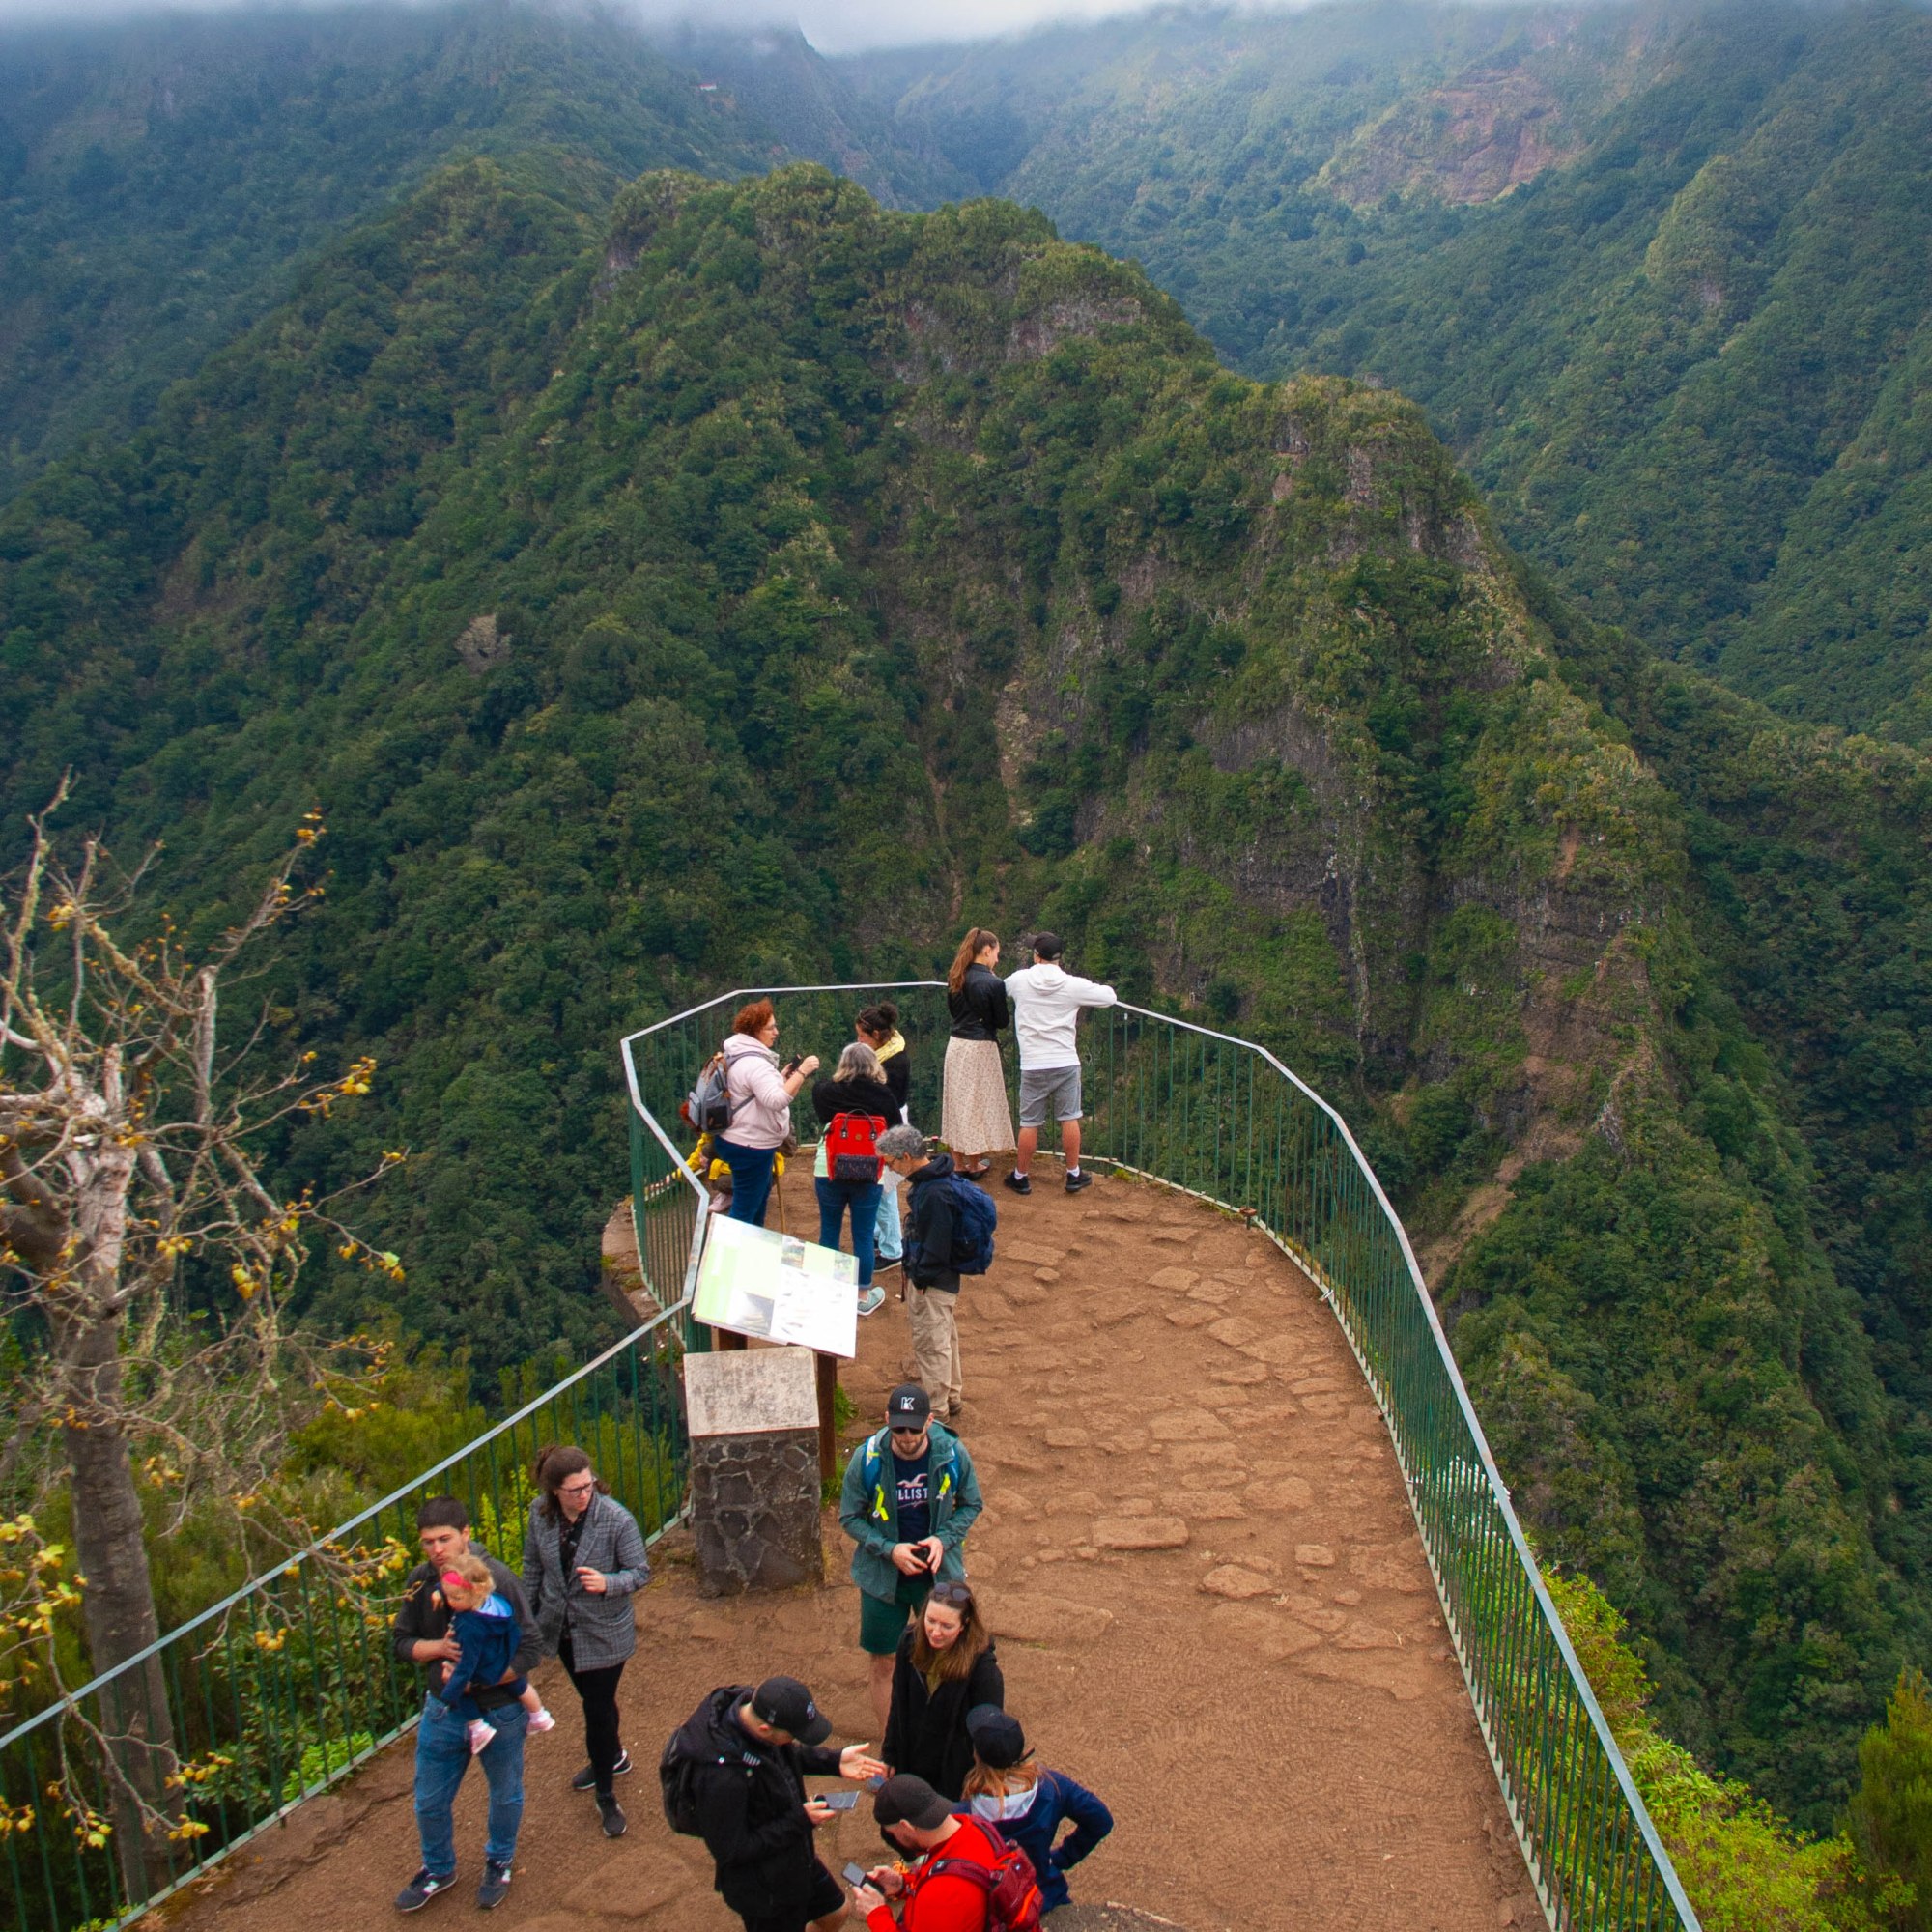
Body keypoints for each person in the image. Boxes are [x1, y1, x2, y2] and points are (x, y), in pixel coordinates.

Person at [390, 1497, 543, 1913]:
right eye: (427, 1542)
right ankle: (439, 1868)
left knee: (505, 1793)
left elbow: (531, 1648)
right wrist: (438, 1648)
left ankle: (500, 1861)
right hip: (442, 1709)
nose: (436, 1549)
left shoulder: (498, 1580)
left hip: (499, 1710)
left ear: (466, 1535)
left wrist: (481, 1678)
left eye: (444, 1539)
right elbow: (401, 1642)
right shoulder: (421, 1582)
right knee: (428, 1800)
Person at [670, 1675, 886, 1932]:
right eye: (792, 1734)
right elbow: (733, 1852)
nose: (796, 1740)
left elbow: (782, 1752)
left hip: (793, 1858)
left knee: (836, 1912)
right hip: (764, 1890)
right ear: (765, 1730)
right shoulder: (721, 1780)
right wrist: (799, 1820)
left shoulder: (753, 1713)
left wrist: (833, 1761)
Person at [521, 1445, 651, 1839]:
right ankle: (614, 1755)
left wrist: (608, 1583)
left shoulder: (616, 1520)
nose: (584, 1493)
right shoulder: (538, 1516)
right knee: (595, 1700)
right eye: (575, 1488)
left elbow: (640, 1572)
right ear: (554, 1490)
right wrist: (526, 1618)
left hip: (604, 1631)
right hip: (560, 1629)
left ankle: (606, 1792)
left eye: (588, 1485)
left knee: (596, 1707)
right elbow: (532, 1567)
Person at [839, 1382, 983, 1732]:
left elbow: (971, 1504)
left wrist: (942, 1539)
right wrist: (890, 1550)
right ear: (887, 1419)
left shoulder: (952, 1454)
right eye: (898, 1428)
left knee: (946, 1658)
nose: (905, 1437)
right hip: (883, 1577)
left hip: (937, 1575)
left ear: (930, 1421)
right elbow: (850, 1517)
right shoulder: (868, 1459)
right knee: (884, 1661)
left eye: (914, 1429)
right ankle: (894, 1749)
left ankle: (939, 1737)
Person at [962, 1708, 1114, 1916]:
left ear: (976, 1756)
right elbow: (1100, 1819)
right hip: (1044, 1895)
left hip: (991, 1908)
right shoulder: (1052, 1786)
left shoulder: (963, 1814)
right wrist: (1060, 1858)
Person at [1002, 932, 1116, 1197]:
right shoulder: (1071, 984)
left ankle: (1021, 1176)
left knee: (1029, 1122)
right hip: (1065, 1060)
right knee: (1069, 1117)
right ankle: (1074, 1173)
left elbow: (997, 989)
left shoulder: (1020, 980)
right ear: (1058, 958)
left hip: (1033, 1063)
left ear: (1036, 956)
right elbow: (1109, 997)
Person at [882, 1582, 1003, 1800]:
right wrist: (890, 1754)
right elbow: (898, 1701)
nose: (935, 1632)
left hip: (954, 1772)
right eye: (930, 1621)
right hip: (913, 1757)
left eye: (946, 1626)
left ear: (964, 1624)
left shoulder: (983, 1669)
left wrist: (979, 1779)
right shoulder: (909, 1640)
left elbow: (988, 1731)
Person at [878, 1125, 965, 1419]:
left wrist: (922, 1278)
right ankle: (951, 1396)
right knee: (944, 1338)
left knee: (931, 1344)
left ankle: (937, 1413)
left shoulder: (933, 1192)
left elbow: (937, 1245)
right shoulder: (937, 1180)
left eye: (890, 1163)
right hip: (943, 1279)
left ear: (905, 1157)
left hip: (932, 1282)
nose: (890, 1169)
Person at [850, 1775, 1012, 1931]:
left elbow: (943, 1894)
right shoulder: (975, 1825)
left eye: (893, 1833)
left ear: (906, 1826)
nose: (895, 1839)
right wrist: (904, 1885)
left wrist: (876, 1914)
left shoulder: (942, 1893)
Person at [432, 1553, 557, 1754]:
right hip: (502, 1654)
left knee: (458, 1688)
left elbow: (468, 1664)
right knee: (520, 1685)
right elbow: (454, 1584)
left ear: (475, 1590)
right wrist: (439, 1590)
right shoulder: (494, 1601)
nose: (451, 1602)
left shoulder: (469, 1625)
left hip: (484, 1667)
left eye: (456, 1597)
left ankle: (477, 1727)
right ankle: (538, 1714)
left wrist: (452, 1690)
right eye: (448, 1596)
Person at [811, 1039, 899, 1318]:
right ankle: (862, 1295)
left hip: (829, 1170)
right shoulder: (884, 1097)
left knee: (829, 1230)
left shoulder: (825, 1092)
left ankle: (829, 1290)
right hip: (869, 1173)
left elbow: (823, 1113)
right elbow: (896, 1131)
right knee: (863, 1234)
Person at [717, 999, 819, 1226]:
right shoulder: (755, 1063)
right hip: (749, 1146)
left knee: (757, 1202)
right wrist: (802, 1073)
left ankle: (752, 1249)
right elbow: (776, 1100)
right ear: (755, 1031)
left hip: (739, 1139)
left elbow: (756, 1094)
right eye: (770, 1028)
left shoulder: (738, 1054)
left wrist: (781, 1079)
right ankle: (730, 1258)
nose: (776, 1032)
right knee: (743, 1212)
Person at [941, 928, 1012, 1180]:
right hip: (980, 1046)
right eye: (996, 953)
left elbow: (954, 1012)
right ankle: (974, 1164)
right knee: (977, 1103)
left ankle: (957, 1161)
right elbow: (1002, 1021)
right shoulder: (993, 983)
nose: (997, 959)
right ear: (986, 950)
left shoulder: (956, 976)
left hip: (957, 1044)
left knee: (956, 1101)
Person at [857, 1003, 911, 1280]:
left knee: (882, 1189)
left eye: (862, 1037)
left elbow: (884, 1103)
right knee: (883, 1186)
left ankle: (892, 1250)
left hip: (887, 1128)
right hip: (892, 1125)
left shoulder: (890, 1064)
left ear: (877, 1034)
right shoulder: (893, 1050)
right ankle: (883, 1235)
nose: (859, 1042)